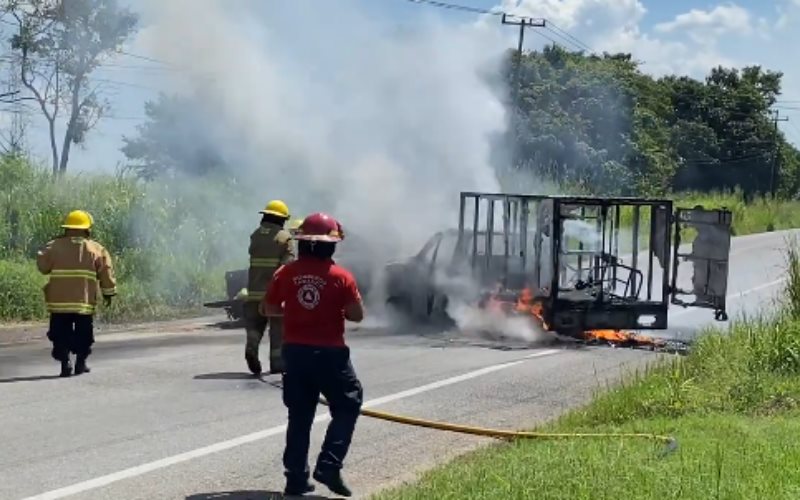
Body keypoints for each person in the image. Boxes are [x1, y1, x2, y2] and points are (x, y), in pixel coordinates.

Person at [261, 212, 364, 498]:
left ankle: (295, 479)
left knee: (300, 415)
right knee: (347, 404)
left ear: (303, 243)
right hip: (330, 355)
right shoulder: (341, 277)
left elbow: (268, 309)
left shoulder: (286, 273)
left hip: (295, 354)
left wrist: (294, 311)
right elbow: (356, 315)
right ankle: (329, 465)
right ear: (330, 245)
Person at [36, 210, 116, 377]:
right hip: (83, 303)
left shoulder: (54, 246)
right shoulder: (96, 248)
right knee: (84, 335)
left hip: (59, 303)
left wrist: (53, 246)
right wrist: (109, 293)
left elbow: (43, 267)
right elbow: (106, 273)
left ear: (66, 228)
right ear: (87, 229)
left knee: (60, 334)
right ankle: (80, 363)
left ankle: (65, 363)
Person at [244, 199, 295, 376]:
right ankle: (277, 362)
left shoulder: (255, 235)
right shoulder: (284, 237)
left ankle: (251, 345)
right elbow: (288, 267)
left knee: (255, 326)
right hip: (274, 294)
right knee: (277, 329)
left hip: (253, 291)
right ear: (281, 219)